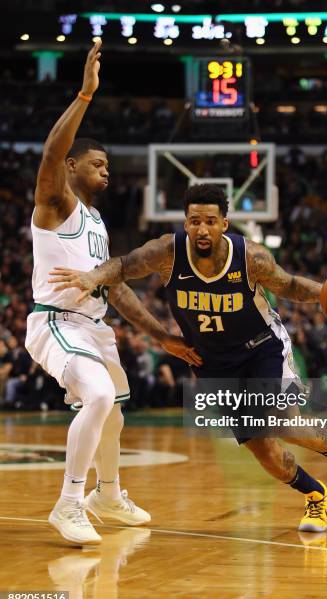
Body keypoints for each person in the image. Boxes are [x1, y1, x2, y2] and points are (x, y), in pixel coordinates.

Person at [49, 183, 327, 533]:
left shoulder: (251, 257)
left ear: (224, 224)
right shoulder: (167, 253)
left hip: (261, 348)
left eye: (210, 221)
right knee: (266, 454)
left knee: (282, 420)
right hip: (213, 364)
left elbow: (287, 285)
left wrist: (326, 294)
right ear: (185, 223)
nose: (202, 228)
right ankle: (315, 496)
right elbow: (122, 266)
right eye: (194, 220)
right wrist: (94, 277)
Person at [25, 39, 201, 545]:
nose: (107, 170)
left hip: (93, 327)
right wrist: (84, 96)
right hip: (55, 321)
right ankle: (69, 503)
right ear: (73, 166)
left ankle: (108, 494)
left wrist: (162, 335)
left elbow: (117, 289)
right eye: (97, 163)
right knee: (98, 396)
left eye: (107, 165)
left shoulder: (97, 222)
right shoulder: (55, 202)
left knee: (115, 409)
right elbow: (50, 153)